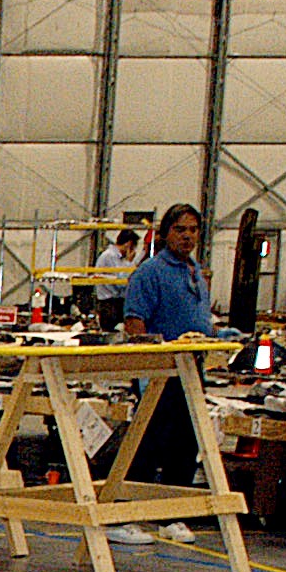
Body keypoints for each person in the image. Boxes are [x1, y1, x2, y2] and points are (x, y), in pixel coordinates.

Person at [110, 201, 215, 507]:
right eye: (180, 229)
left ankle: (173, 512)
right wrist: (146, 368)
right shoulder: (150, 273)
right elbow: (135, 322)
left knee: (186, 443)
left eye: (193, 230)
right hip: (159, 373)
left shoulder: (195, 273)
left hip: (191, 370)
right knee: (150, 441)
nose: (187, 236)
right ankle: (128, 510)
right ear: (166, 233)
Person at [94, 227, 140, 331]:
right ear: (129, 244)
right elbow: (122, 282)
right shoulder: (110, 256)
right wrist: (129, 262)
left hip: (117, 301)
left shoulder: (119, 258)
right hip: (110, 303)